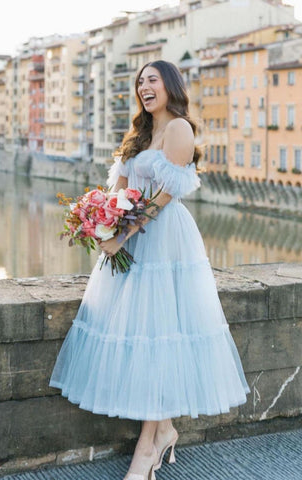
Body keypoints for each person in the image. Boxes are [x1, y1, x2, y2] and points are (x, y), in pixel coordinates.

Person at [49, 60, 250, 480]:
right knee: (142, 336)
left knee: (161, 335)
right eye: (139, 81)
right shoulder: (140, 134)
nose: (144, 86)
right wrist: (98, 220)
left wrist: (121, 236)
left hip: (164, 243)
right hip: (131, 239)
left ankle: (147, 449)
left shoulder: (178, 128)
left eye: (152, 79)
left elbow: (159, 200)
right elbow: (119, 192)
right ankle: (164, 433)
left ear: (170, 85)